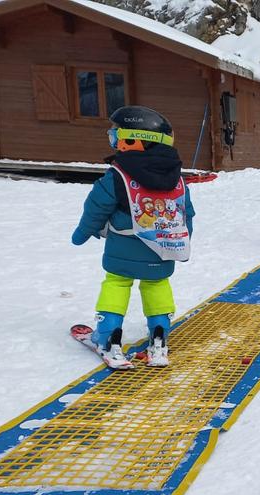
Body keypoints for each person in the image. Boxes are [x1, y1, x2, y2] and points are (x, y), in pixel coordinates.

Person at [71, 105, 195, 369]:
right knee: (157, 284)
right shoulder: (176, 177)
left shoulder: (118, 175)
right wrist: (181, 242)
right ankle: (159, 340)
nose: (114, 140)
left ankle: (108, 339)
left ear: (133, 140)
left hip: (122, 248)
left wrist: (82, 233)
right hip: (162, 248)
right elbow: (185, 213)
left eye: (116, 135)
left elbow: (96, 207)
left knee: (117, 283)